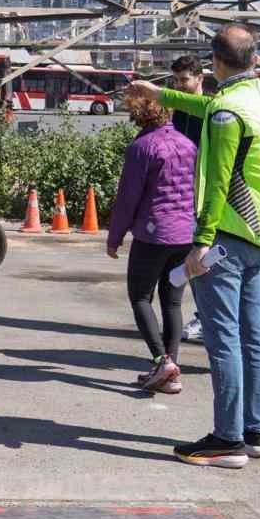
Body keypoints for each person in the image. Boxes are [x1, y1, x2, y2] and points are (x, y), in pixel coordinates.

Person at [127, 25, 260, 469]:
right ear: (254, 60)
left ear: (214, 64)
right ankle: (256, 431)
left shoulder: (224, 116)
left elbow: (217, 183)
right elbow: (212, 104)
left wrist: (200, 244)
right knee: (253, 335)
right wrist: (160, 95)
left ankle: (227, 439)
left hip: (229, 237)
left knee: (223, 341)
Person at [106, 89, 196, 394]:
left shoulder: (142, 147)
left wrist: (115, 237)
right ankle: (172, 371)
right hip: (185, 234)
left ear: (139, 115)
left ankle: (161, 360)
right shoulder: (188, 144)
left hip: (153, 233)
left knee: (140, 297)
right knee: (172, 301)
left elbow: (128, 198)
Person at [167, 54, 208, 345]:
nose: (180, 86)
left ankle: (206, 318)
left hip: (208, 192)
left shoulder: (212, 108)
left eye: (185, 80)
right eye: (176, 81)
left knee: (205, 258)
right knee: (190, 259)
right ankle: (204, 317)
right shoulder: (179, 110)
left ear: (200, 79)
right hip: (185, 192)